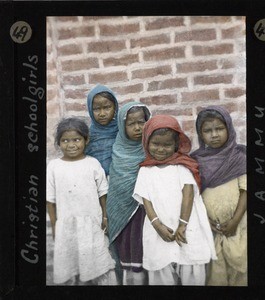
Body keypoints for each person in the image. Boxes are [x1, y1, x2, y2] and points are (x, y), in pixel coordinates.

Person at [133, 115, 216, 286]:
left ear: (176, 145)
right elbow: (145, 200)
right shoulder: (145, 170)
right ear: (147, 142)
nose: (161, 149)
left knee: (190, 265)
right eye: (156, 144)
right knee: (161, 270)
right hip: (158, 228)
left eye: (167, 145)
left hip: (185, 227)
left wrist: (183, 224)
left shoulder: (182, 166)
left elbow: (188, 194)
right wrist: (158, 226)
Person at [47, 117, 117, 285]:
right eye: (65, 140)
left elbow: (103, 193)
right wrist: (55, 225)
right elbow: (50, 200)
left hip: (92, 223)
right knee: (73, 263)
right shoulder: (54, 166)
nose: (71, 145)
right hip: (67, 226)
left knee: (99, 263)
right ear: (58, 143)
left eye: (77, 140)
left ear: (86, 140)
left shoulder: (92, 164)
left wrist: (105, 217)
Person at [191, 106, 247, 286]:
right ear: (200, 134)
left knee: (241, 270)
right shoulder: (196, 161)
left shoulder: (239, 157)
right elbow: (193, 196)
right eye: (207, 130)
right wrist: (206, 221)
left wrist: (235, 221)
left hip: (239, 226)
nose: (214, 135)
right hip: (211, 229)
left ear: (229, 128)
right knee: (216, 274)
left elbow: (246, 191)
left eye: (219, 129)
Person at [106, 102, 151, 285]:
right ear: (122, 126)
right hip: (123, 213)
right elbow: (116, 187)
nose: (137, 128)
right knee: (128, 251)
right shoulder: (118, 151)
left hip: (146, 212)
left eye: (141, 122)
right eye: (131, 124)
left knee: (144, 250)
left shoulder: (153, 147)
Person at [85, 84, 119, 177]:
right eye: (96, 109)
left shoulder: (123, 131)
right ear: (90, 110)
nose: (102, 114)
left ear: (115, 107)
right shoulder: (88, 136)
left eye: (107, 107)